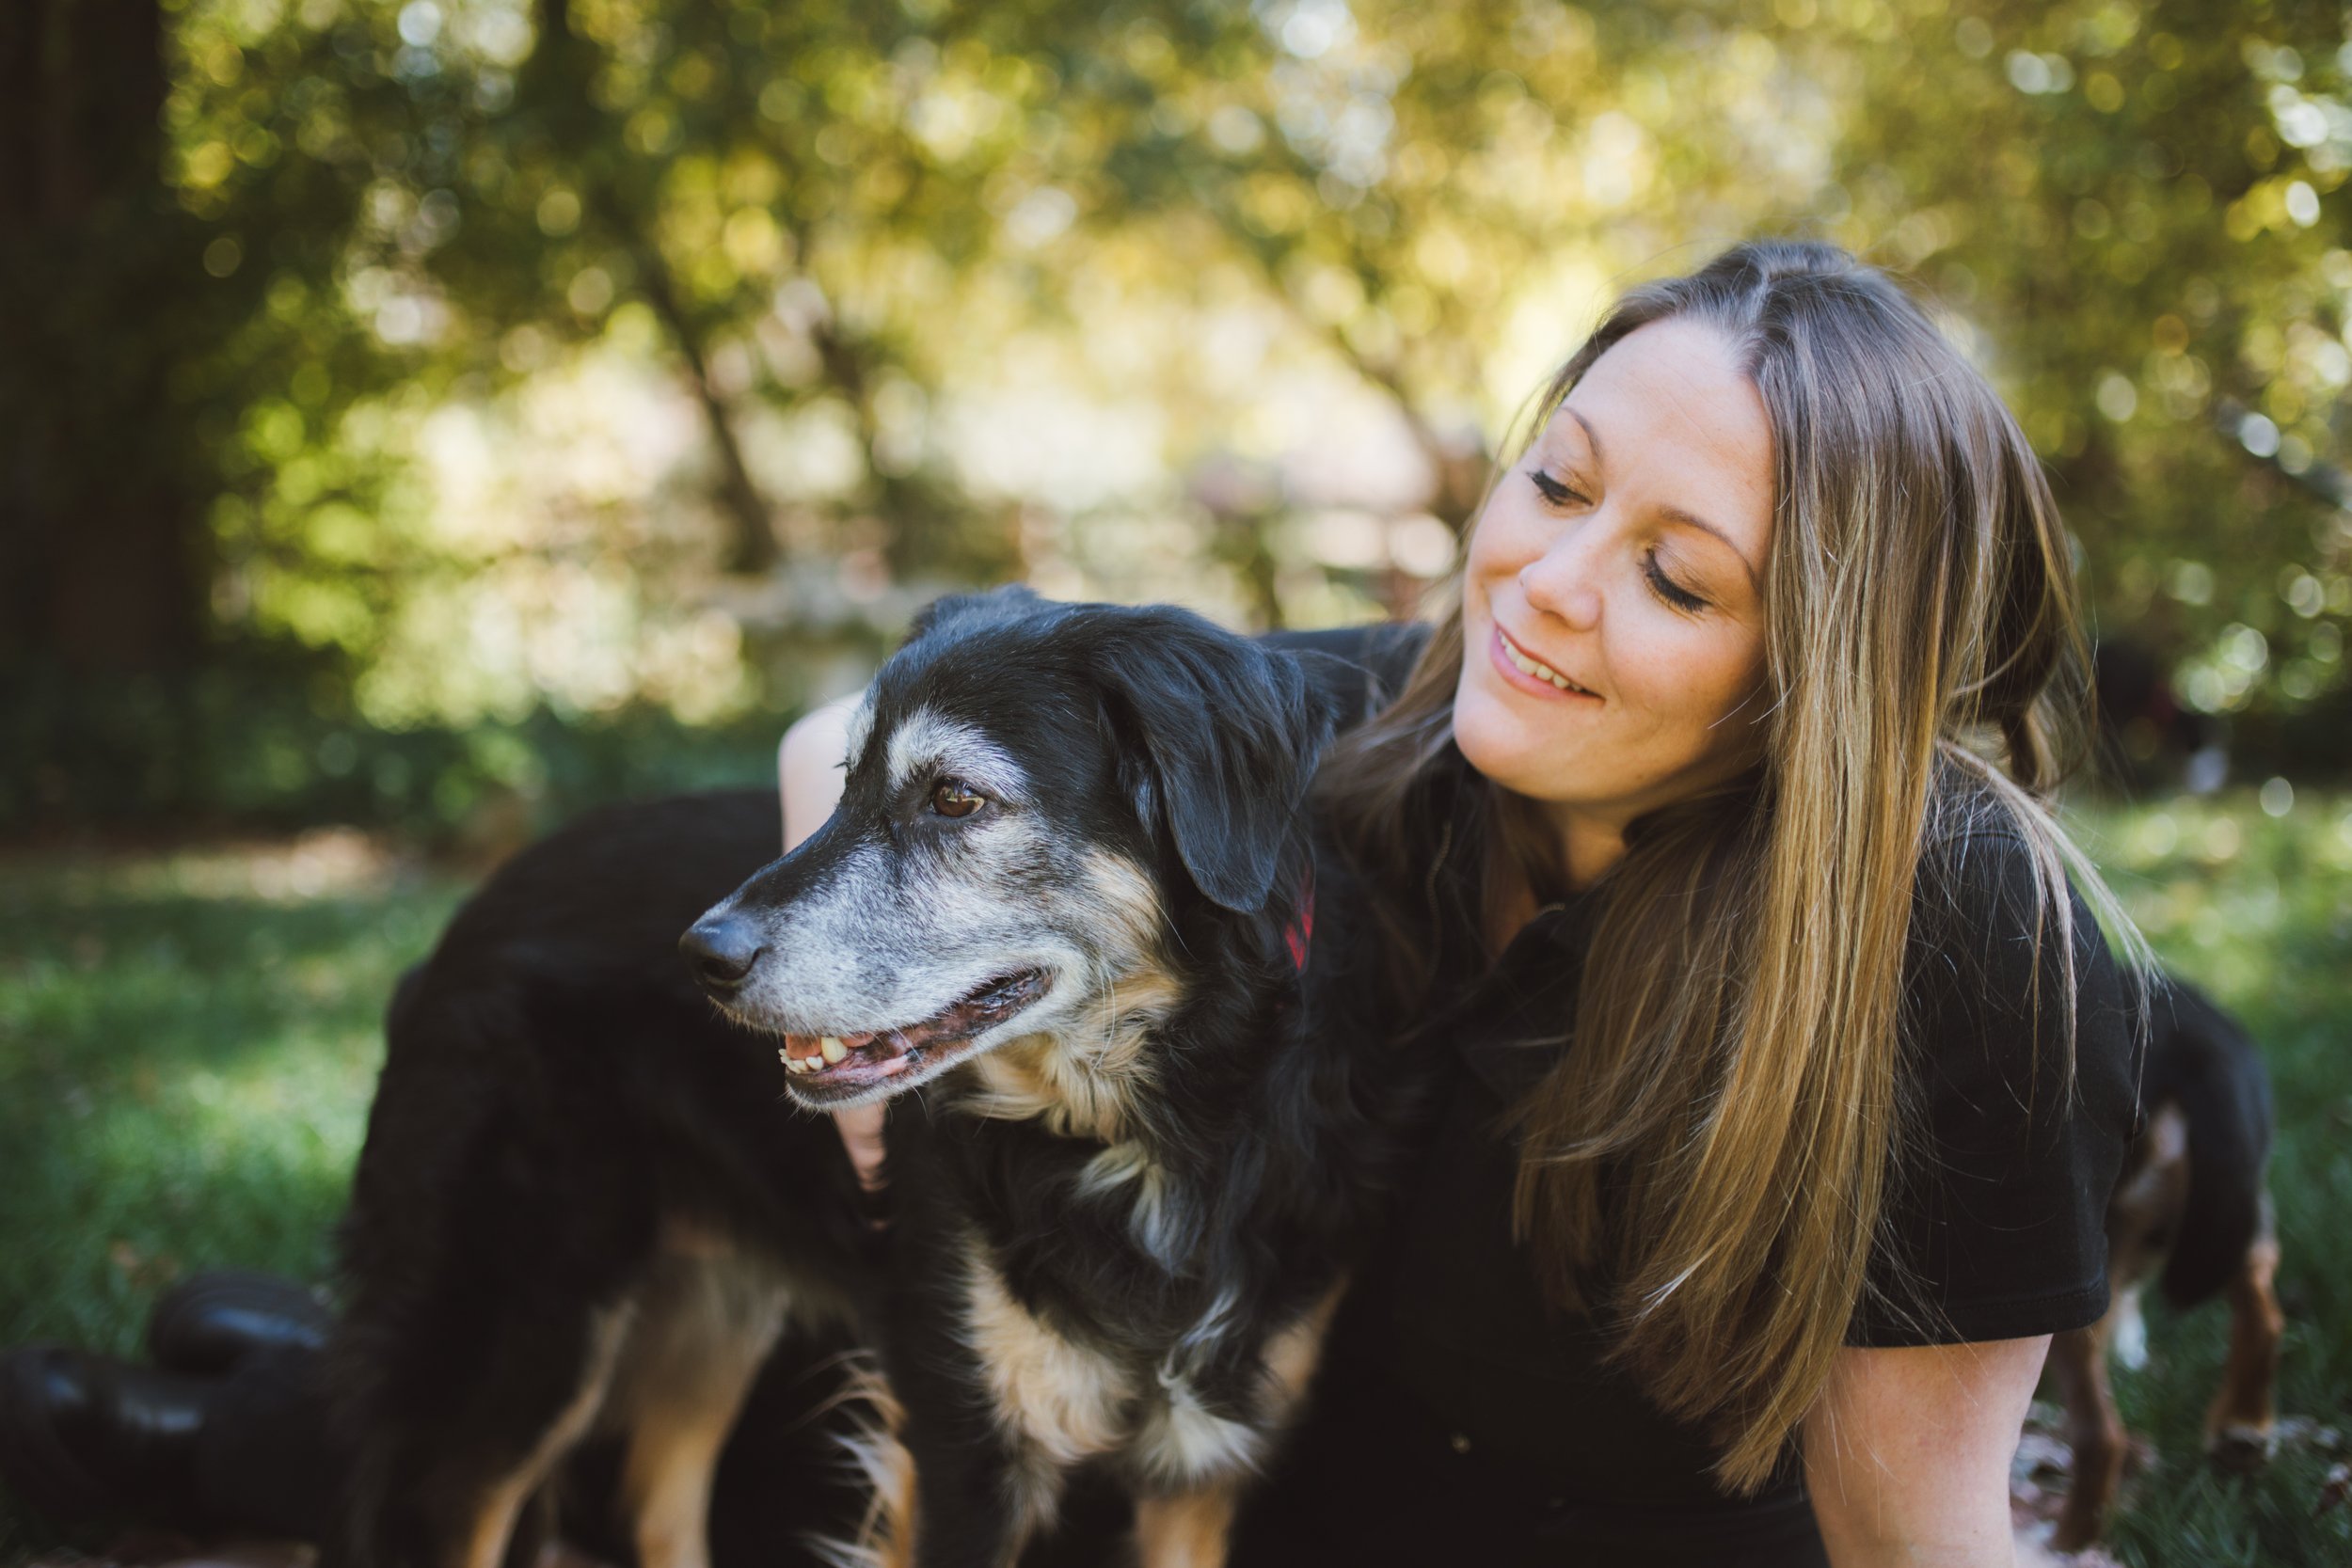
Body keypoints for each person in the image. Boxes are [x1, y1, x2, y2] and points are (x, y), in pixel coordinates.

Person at [1, 240, 2138, 1565]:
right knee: (551, 1419)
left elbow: (1927, 1536)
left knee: (717, 1461)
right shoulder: (1377, 735)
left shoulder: (1950, 950)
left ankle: (207, 1407)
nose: (1543, 590)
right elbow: (901, 720)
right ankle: (247, 1399)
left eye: (1677, 577)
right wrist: (876, 1040)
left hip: (1340, 1505)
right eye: (1552, 480)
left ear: (1824, 679)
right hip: (1161, 1444)